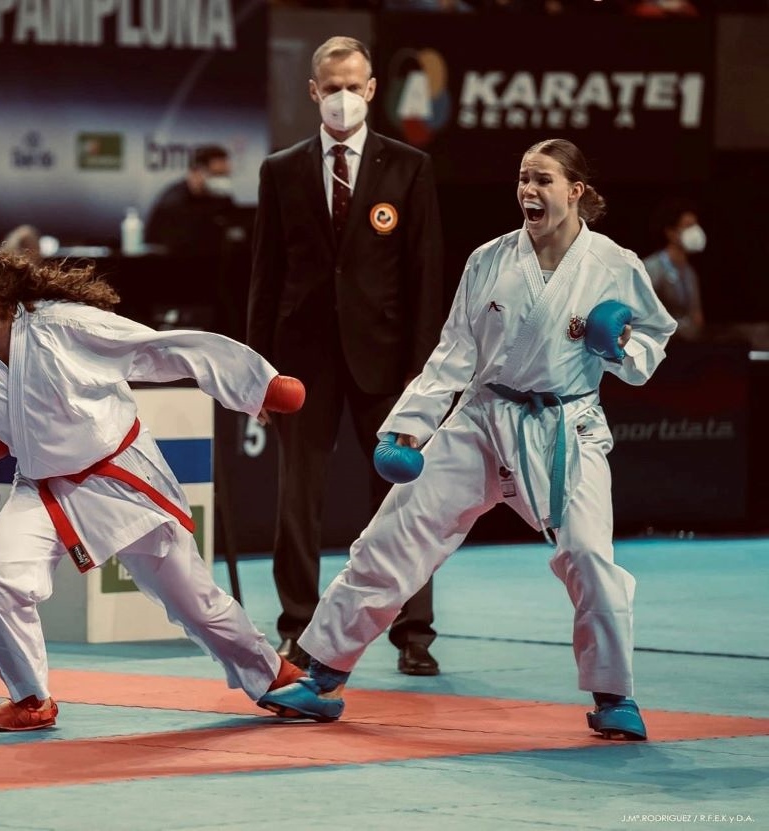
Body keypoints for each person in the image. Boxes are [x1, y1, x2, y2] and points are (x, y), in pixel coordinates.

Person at [258, 138, 678, 742]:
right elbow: (454, 351)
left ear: (576, 191)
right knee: (393, 535)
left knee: (589, 554)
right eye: (522, 179)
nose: (528, 191)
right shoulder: (490, 258)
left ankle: (614, 694)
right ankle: (321, 676)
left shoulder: (615, 265)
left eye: (542, 180)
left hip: (565, 426)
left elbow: (652, 344)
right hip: (482, 417)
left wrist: (620, 348)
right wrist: (409, 426)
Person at [0, 244, 309, 731]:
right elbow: (12, 421)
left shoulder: (63, 327)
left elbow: (163, 348)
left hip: (118, 477)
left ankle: (275, 678)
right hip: (42, 489)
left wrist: (257, 387)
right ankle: (31, 699)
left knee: (192, 600)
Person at [247, 35, 444, 675]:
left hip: (387, 362)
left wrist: (426, 377)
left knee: (406, 499)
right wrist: (256, 375)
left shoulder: (408, 167)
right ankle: (297, 629)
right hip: (302, 362)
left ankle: (414, 632)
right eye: (329, 87)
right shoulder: (281, 169)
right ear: (313, 91)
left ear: (371, 90)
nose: (341, 97)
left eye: (352, 85)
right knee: (296, 498)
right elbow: (264, 276)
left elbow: (424, 276)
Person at [145, 145, 236, 256]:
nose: (222, 180)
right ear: (196, 173)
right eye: (217, 175)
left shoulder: (223, 198)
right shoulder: (172, 203)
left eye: (225, 175)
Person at [641, 199, 705, 342]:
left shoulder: (689, 272)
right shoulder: (652, 268)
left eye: (696, 225)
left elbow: (697, 316)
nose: (695, 231)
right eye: (688, 226)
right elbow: (642, 315)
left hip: (686, 347)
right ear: (671, 233)